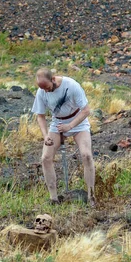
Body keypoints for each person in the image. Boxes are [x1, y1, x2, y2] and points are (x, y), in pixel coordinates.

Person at [31, 68, 96, 207]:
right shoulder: (41, 91)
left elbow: (86, 110)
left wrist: (70, 126)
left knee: (86, 155)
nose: (46, 91)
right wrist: (45, 136)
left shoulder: (71, 85)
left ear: (53, 79)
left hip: (78, 121)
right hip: (57, 124)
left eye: (48, 88)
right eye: (43, 89)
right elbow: (40, 116)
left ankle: (91, 196)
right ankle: (54, 199)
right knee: (46, 158)